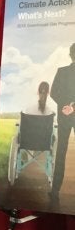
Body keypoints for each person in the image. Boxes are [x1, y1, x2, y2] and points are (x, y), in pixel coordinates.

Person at [49, 43, 75, 202]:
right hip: (69, 114)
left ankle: (54, 192)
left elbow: (53, 93)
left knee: (61, 153)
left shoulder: (62, 71)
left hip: (63, 116)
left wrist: (66, 106)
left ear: (70, 55)